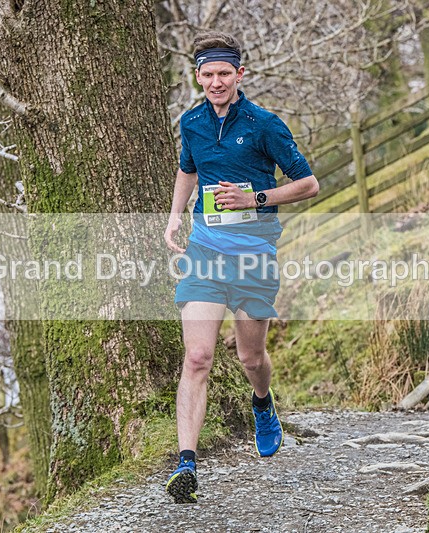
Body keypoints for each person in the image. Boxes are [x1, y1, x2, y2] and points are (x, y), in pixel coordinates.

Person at [163, 31, 319, 504]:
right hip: (206, 252)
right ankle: (185, 464)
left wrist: (256, 198)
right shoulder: (191, 122)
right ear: (198, 76)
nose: (215, 82)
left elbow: (308, 183)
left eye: (224, 74)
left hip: (254, 254)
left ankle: (262, 403)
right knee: (197, 357)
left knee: (251, 358)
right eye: (207, 74)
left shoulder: (265, 124)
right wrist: (175, 214)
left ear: (239, 75)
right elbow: (188, 168)